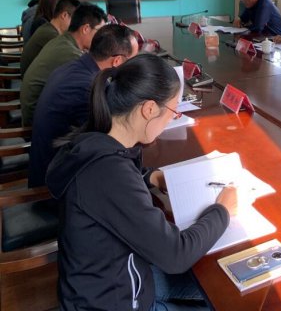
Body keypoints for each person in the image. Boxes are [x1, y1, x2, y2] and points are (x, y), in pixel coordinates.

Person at [46, 52, 237, 310]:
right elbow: (176, 254)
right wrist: (222, 211)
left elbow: (117, 182)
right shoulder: (109, 173)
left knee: (216, 282)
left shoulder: (96, 139)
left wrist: (150, 177)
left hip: (116, 276)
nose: (172, 118)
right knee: (225, 296)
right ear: (149, 109)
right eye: (173, 112)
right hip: (113, 300)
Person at [29, 24, 139, 188]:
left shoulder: (76, 67)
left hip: (51, 163)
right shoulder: (87, 87)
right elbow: (109, 141)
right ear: (117, 61)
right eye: (133, 61)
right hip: (55, 184)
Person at [20, 2, 107, 126]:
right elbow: (96, 84)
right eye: (100, 31)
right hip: (35, 118)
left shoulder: (62, 40)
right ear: (86, 29)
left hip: (35, 108)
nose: (101, 37)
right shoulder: (71, 54)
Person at [20, 0, 80, 76]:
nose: (75, 24)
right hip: (34, 80)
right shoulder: (51, 36)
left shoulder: (47, 28)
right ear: (64, 15)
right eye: (74, 19)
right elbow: (71, 59)